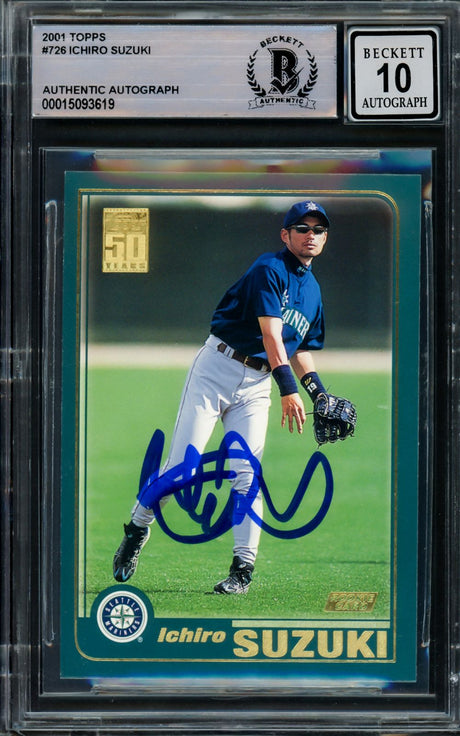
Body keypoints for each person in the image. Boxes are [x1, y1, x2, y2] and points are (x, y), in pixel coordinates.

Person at [113, 200, 336, 594]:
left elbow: (299, 347)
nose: (311, 235)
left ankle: (242, 571)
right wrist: (289, 389)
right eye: (302, 228)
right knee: (182, 470)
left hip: (257, 384)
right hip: (217, 369)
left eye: (318, 230)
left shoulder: (314, 291)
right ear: (285, 235)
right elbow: (270, 335)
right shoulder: (270, 269)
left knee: (248, 475)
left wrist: (318, 393)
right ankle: (137, 528)